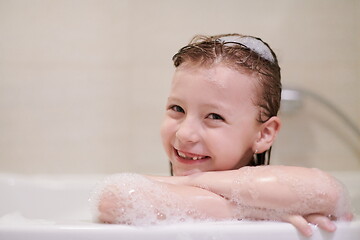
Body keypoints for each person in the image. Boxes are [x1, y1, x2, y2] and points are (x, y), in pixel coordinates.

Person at [91, 34, 353, 237]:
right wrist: (258, 211)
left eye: (214, 116)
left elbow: (329, 193)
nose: (185, 133)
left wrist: (184, 185)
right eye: (177, 109)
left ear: (264, 133)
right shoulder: (277, 200)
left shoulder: (279, 184)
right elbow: (113, 198)